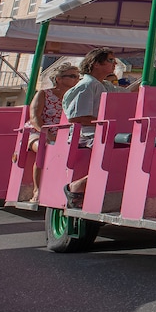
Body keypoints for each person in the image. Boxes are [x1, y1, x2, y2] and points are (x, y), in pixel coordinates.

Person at [60, 47, 132, 208]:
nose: (114, 64)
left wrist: (150, 77)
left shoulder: (102, 84)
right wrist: (104, 123)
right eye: (110, 60)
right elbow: (76, 117)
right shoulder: (86, 86)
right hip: (87, 135)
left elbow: (127, 93)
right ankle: (77, 186)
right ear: (96, 64)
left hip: (101, 132)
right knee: (123, 155)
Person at [22, 60, 79, 205]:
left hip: (64, 133)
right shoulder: (44, 94)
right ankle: (37, 189)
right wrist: (48, 135)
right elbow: (35, 118)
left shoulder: (75, 97)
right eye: (72, 76)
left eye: (78, 77)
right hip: (38, 131)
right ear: (59, 79)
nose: (76, 79)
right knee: (45, 148)